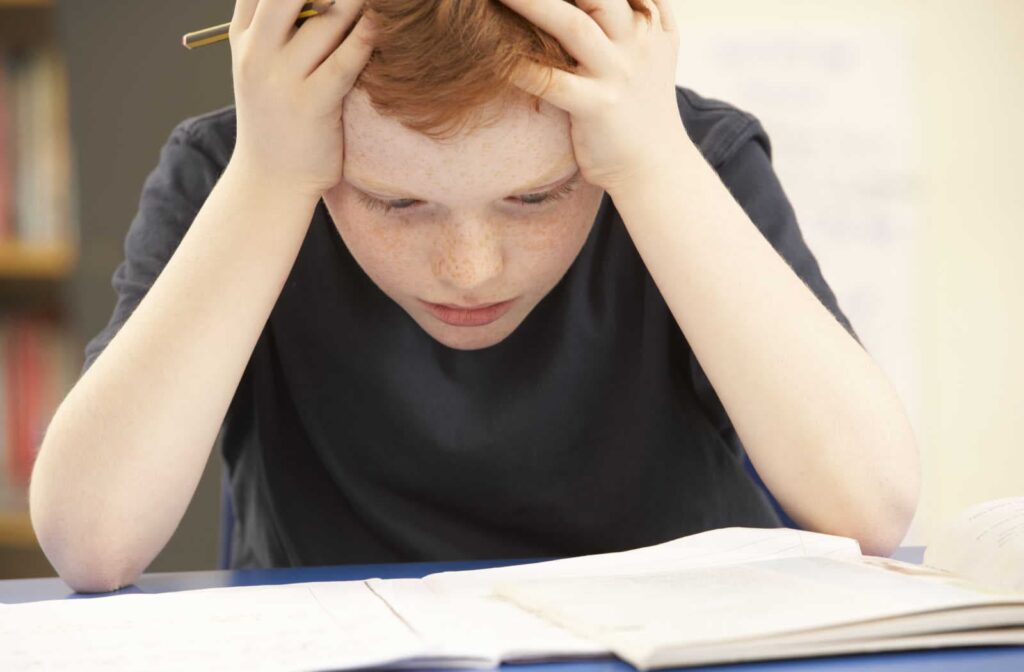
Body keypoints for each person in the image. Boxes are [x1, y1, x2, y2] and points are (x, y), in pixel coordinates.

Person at [30, 0, 919, 593]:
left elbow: (869, 506)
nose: (470, 268)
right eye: (394, 201)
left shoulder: (683, 162)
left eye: (534, 197)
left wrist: (652, 163)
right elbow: (90, 540)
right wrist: (268, 178)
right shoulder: (244, 173)